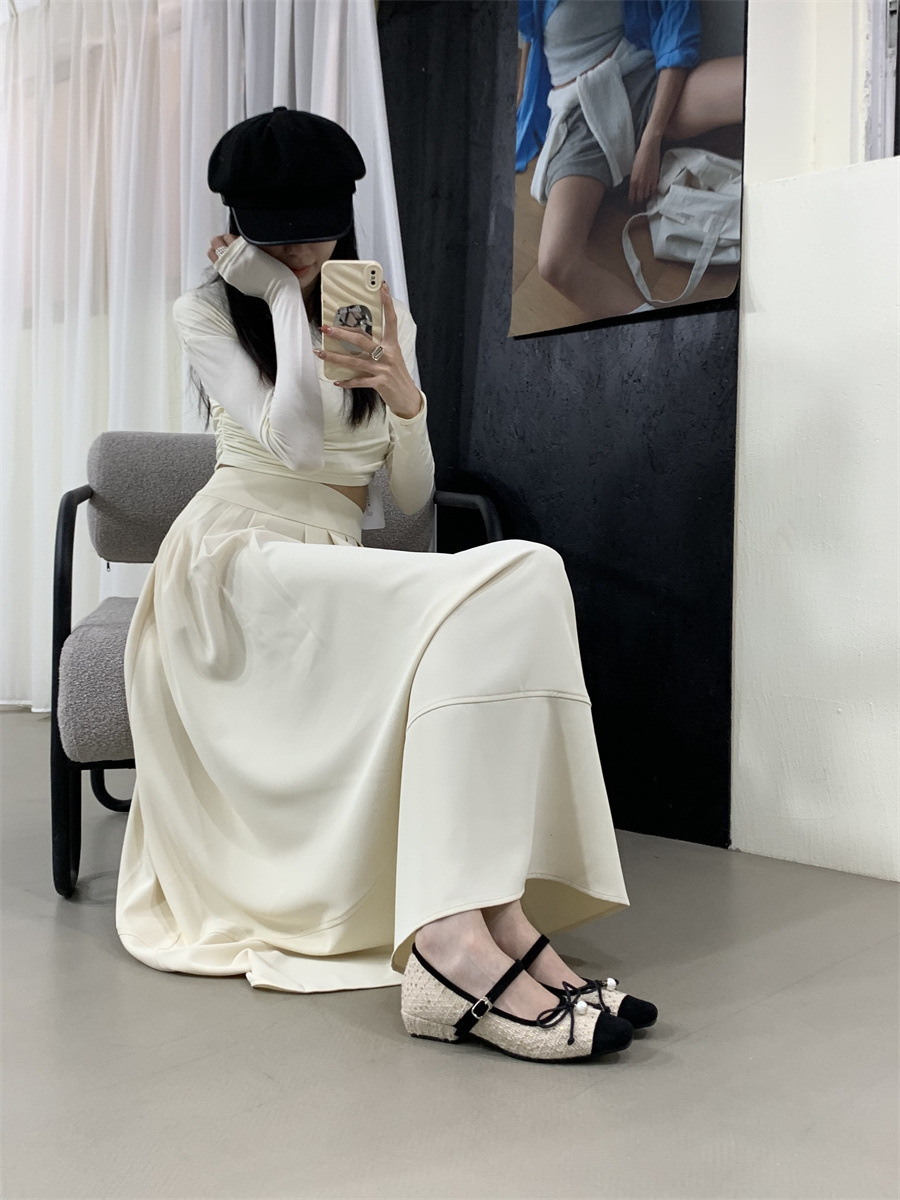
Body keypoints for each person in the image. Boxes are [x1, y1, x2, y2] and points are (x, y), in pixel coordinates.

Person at [115, 107, 657, 1063]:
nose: (301, 251)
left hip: (332, 559)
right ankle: (458, 944)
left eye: (316, 231)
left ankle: (490, 912)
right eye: (278, 236)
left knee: (529, 571)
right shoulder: (205, 311)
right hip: (235, 565)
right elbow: (293, 446)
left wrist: (406, 397)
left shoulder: (377, 310)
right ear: (241, 228)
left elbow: (404, 496)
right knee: (513, 573)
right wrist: (280, 302)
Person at [517, 0, 745, 320]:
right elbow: (529, 35)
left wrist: (650, 142)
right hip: (581, 116)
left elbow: (677, 36)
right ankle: (655, 336)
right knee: (556, 262)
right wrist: (520, 106)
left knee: (759, 78)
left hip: (647, 82)